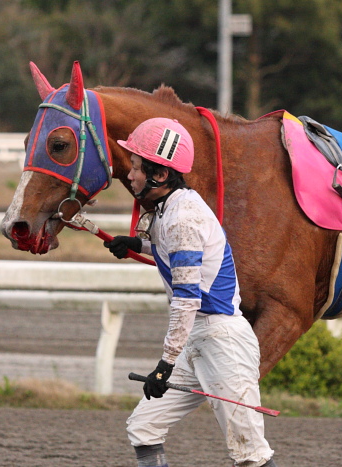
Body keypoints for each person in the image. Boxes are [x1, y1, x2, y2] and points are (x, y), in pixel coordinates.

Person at [104, 118, 277, 467]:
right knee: (144, 427)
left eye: (136, 168)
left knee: (249, 454)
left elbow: (186, 299)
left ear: (161, 175)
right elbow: (178, 253)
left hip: (222, 341)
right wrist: (138, 243)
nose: (130, 175)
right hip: (199, 338)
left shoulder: (183, 218)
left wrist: (164, 366)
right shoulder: (172, 207)